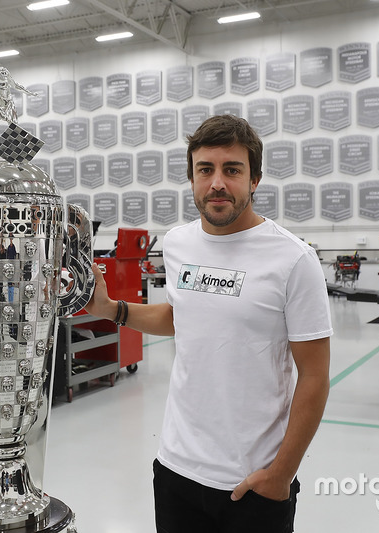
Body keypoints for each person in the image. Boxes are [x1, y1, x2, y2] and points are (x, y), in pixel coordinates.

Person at [85, 115, 332, 533]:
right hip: (175, 468)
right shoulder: (180, 243)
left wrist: (281, 475)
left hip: (253, 481)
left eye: (232, 170)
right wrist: (113, 309)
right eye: (205, 170)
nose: (217, 182)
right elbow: (180, 315)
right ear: (192, 177)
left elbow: (314, 375)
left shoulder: (293, 260)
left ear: (254, 179)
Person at [0, 55, 38, 159]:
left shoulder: (2, 72)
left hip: (8, 104)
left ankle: (19, 154)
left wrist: (29, 93)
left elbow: (14, 85)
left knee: (14, 128)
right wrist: (1, 113)